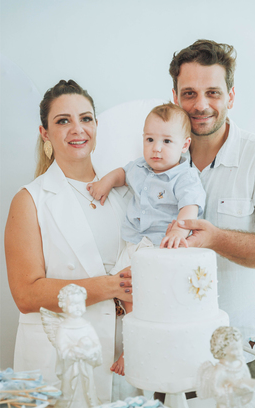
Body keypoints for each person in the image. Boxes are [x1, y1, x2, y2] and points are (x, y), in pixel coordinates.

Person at [5, 80, 134, 402]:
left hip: (123, 355)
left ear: (96, 125)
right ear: (45, 133)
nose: (77, 129)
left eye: (85, 118)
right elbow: (26, 293)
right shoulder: (30, 199)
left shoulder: (127, 193)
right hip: (58, 355)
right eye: (63, 121)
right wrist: (112, 287)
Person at [163, 40, 255, 337]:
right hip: (176, 341)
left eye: (213, 93)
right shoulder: (158, 161)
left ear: (231, 97)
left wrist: (216, 239)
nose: (200, 105)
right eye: (189, 94)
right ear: (174, 98)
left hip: (247, 347)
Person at [88, 103, 205, 377]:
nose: (156, 148)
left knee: (150, 300)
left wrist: (179, 228)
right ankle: (130, 343)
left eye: (166, 141)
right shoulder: (139, 167)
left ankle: (135, 349)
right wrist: (106, 182)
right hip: (134, 244)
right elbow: (122, 174)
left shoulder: (184, 176)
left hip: (161, 248)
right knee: (125, 294)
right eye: (150, 139)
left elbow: (191, 206)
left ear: (184, 145)